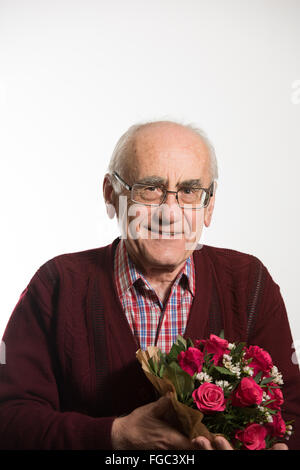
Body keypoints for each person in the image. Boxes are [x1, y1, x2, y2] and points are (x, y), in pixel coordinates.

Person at [0, 120, 299, 450]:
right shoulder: (57, 285)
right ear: (111, 195)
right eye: (150, 188)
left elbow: (292, 410)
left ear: (209, 205)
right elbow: (9, 418)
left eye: (188, 191)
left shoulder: (248, 283)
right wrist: (115, 435)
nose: (169, 214)